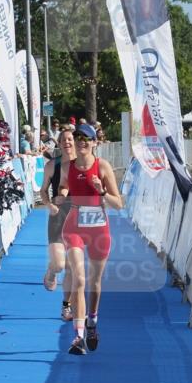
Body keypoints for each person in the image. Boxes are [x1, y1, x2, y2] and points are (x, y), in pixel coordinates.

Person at [54, 123, 123, 355]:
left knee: (94, 282)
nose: (81, 142)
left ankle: (92, 321)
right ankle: (79, 336)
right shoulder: (67, 166)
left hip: (99, 229)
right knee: (79, 279)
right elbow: (63, 185)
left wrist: (101, 191)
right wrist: (62, 195)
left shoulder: (102, 166)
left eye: (86, 139)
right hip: (74, 226)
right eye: (78, 138)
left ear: (94, 143)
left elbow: (118, 204)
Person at [41, 127, 75, 320]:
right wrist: (48, 204)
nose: (67, 142)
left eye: (71, 139)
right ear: (59, 143)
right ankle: (51, 271)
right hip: (58, 215)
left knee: (72, 267)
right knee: (59, 264)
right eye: (64, 140)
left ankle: (66, 307)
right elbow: (43, 190)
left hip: (78, 218)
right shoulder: (52, 165)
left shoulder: (85, 164)